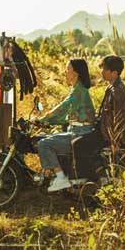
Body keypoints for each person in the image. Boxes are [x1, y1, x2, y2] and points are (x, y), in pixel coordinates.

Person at [36, 59, 96, 192]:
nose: (65, 72)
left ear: (76, 73)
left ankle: (60, 178)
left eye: (68, 69)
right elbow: (66, 117)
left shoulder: (79, 91)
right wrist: (47, 122)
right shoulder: (77, 89)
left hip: (79, 134)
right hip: (77, 131)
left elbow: (62, 107)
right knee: (48, 137)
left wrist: (43, 118)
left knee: (43, 144)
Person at [72, 55, 125, 181]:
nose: (102, 72)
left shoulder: (118, 91)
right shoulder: (112, 87)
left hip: (107, 135)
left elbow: (119, 118)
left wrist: (114, 142)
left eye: (105, 69)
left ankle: (89, 181)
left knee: (77, 144)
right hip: (103, 130)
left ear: (114, 73)